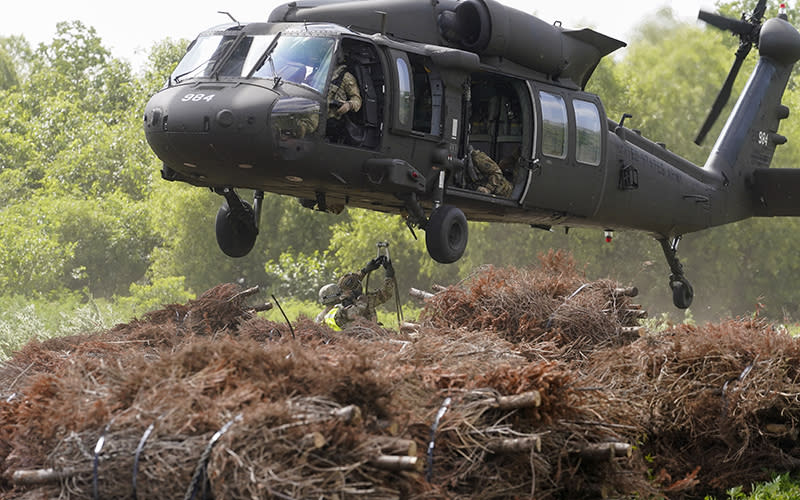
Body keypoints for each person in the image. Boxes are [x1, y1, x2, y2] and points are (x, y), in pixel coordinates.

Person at [316, 256, 395, 330]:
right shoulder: (363, 302)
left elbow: (351, 281)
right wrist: (389, 277)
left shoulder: (326, 313)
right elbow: (385, 294)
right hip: (361, 339)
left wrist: (365, 271)